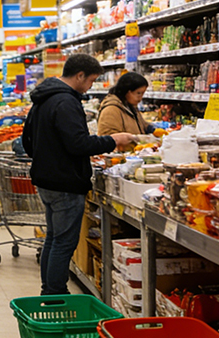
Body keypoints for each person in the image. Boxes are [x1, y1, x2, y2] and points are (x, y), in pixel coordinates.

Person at [22, 53, 136, 295]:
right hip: (64, 183)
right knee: (63, 243)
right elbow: (78, 144)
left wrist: (47, 158)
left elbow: (27, 140)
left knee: (53, 239)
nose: (91, 86)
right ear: (80, 75)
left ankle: (49, 291)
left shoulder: (43, 97)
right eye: (92, 80)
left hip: (46, 179)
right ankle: (55, 294)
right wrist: (112, 140)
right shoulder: (65, 102)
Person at [97, 71, 156, 136]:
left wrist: (151, 129)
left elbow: (140, 124)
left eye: (142, 94)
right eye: (138, 93)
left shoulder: (130, 105)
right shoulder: (111, 110)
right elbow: (108, 138)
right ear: (127, 91)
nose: (140, 98)